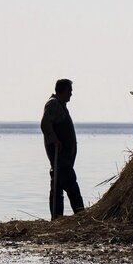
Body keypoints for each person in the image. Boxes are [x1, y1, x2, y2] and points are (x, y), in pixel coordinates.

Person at [40, 79, 85, 219]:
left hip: (62, 158)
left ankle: (57, 217)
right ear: (63, 90)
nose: (71, 94)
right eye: (69, 91)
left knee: (57, 187)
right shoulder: (53, 104)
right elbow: (45, 123)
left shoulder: (60, 105)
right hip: (60, 157)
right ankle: (81, 215)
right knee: (71, 186)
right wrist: (54, 140)